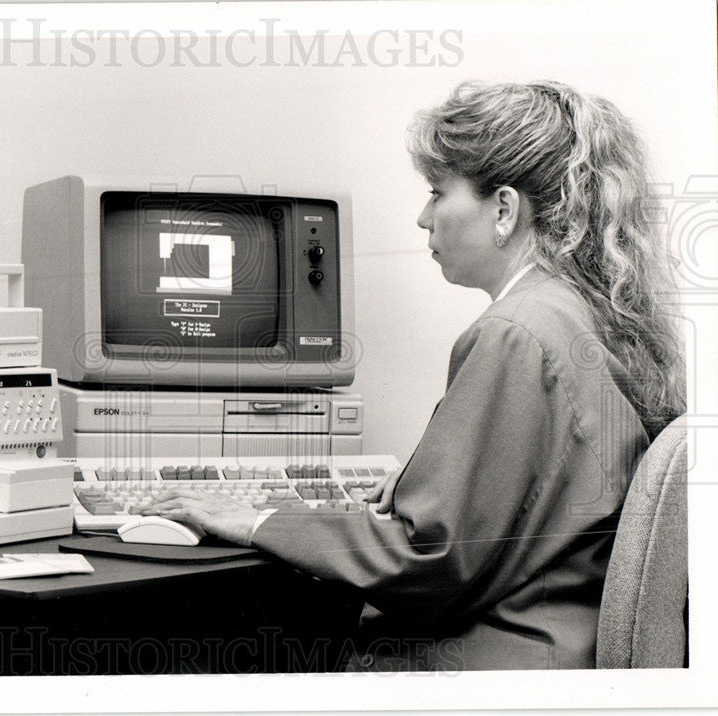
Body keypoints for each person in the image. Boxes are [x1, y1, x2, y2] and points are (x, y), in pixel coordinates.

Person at [140, 81, 686, 670]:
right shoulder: (585, 312)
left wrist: (255, 520)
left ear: (503, 209)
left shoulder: (515, 332)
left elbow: (429, 560)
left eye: (436, 192)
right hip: (558, 648)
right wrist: (414, 487)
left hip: (494, 667)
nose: (423, 217)